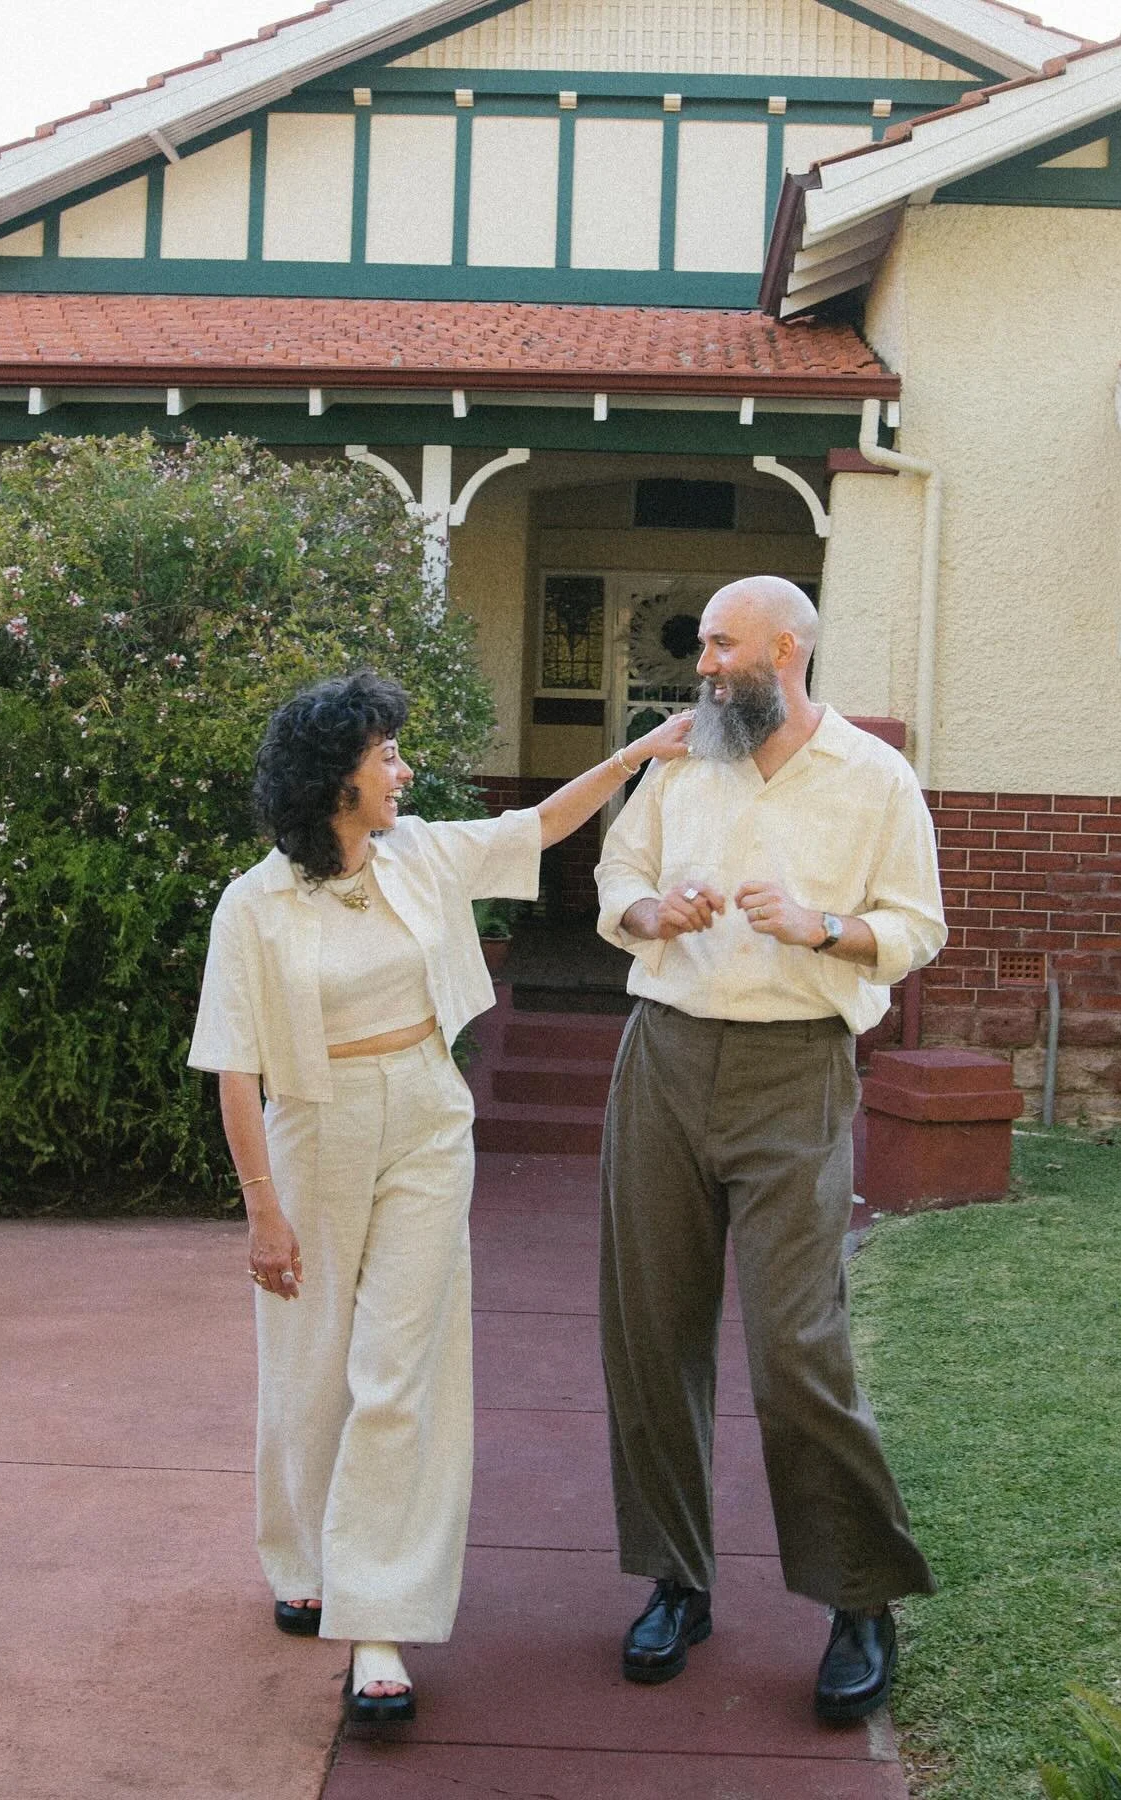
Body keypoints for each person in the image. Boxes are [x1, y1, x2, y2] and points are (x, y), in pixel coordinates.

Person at [188, 670, 689, 1726]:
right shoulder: (256, 904)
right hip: (313, 1123)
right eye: (386, 758)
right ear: (338, 781)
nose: (403, 770)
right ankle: (302, 1556)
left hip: (423, 1108)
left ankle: (380, 1624)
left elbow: (540, 825)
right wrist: (262, 1210)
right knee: (310, 1355)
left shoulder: (419, 852)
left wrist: (638, 756)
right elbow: (235, 1068)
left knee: (397, 1367)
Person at [594, 577, 946, 1722]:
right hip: (664, 1057)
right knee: (652, 1331)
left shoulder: (876, 780)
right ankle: (675, 1580)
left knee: (799, 1344)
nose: (701, 666)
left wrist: (823, 928)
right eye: (702, 644)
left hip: (797, 1070)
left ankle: (858, 1596)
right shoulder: (681, 757)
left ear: (785, 649)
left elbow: (916, 927)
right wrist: (656, 914)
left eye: (718, 644)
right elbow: (619, 878)